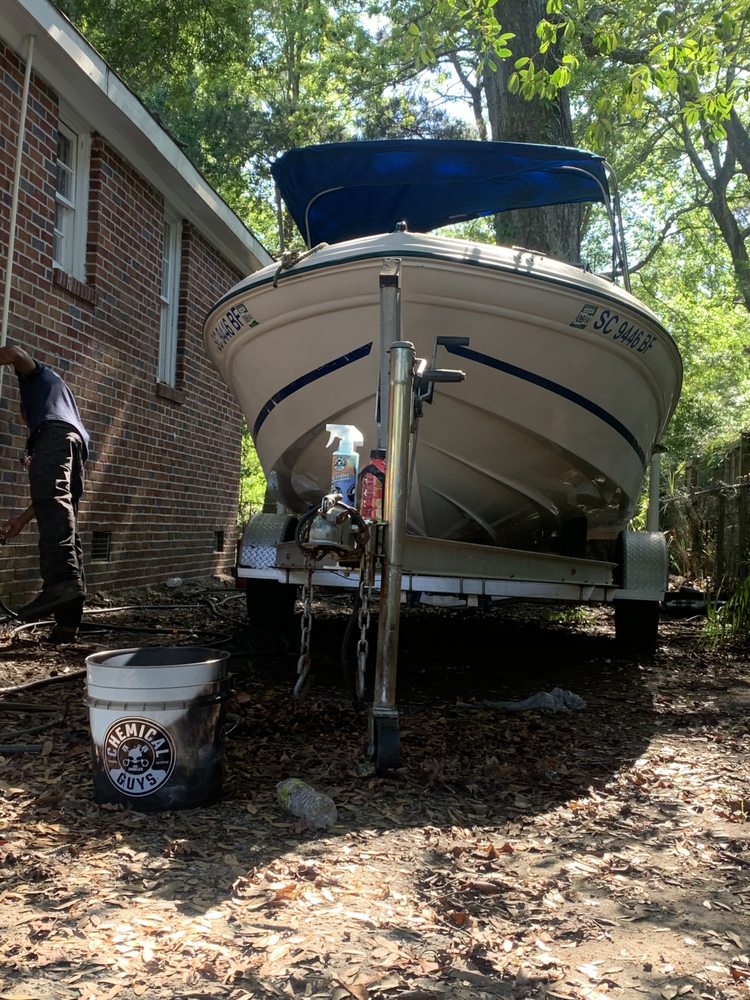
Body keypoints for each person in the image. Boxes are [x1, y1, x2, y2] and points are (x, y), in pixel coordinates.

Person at [0, 343, 90, 643]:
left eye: (23, 417)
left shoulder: (36, 382)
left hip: (58, 435)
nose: (24, 422)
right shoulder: (63, 405)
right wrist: (22, 521)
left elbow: (13, 352)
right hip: (78, 446)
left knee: (56, 509)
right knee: (66, 521)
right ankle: (67, 625)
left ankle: (60, 584)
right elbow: (51, 501)